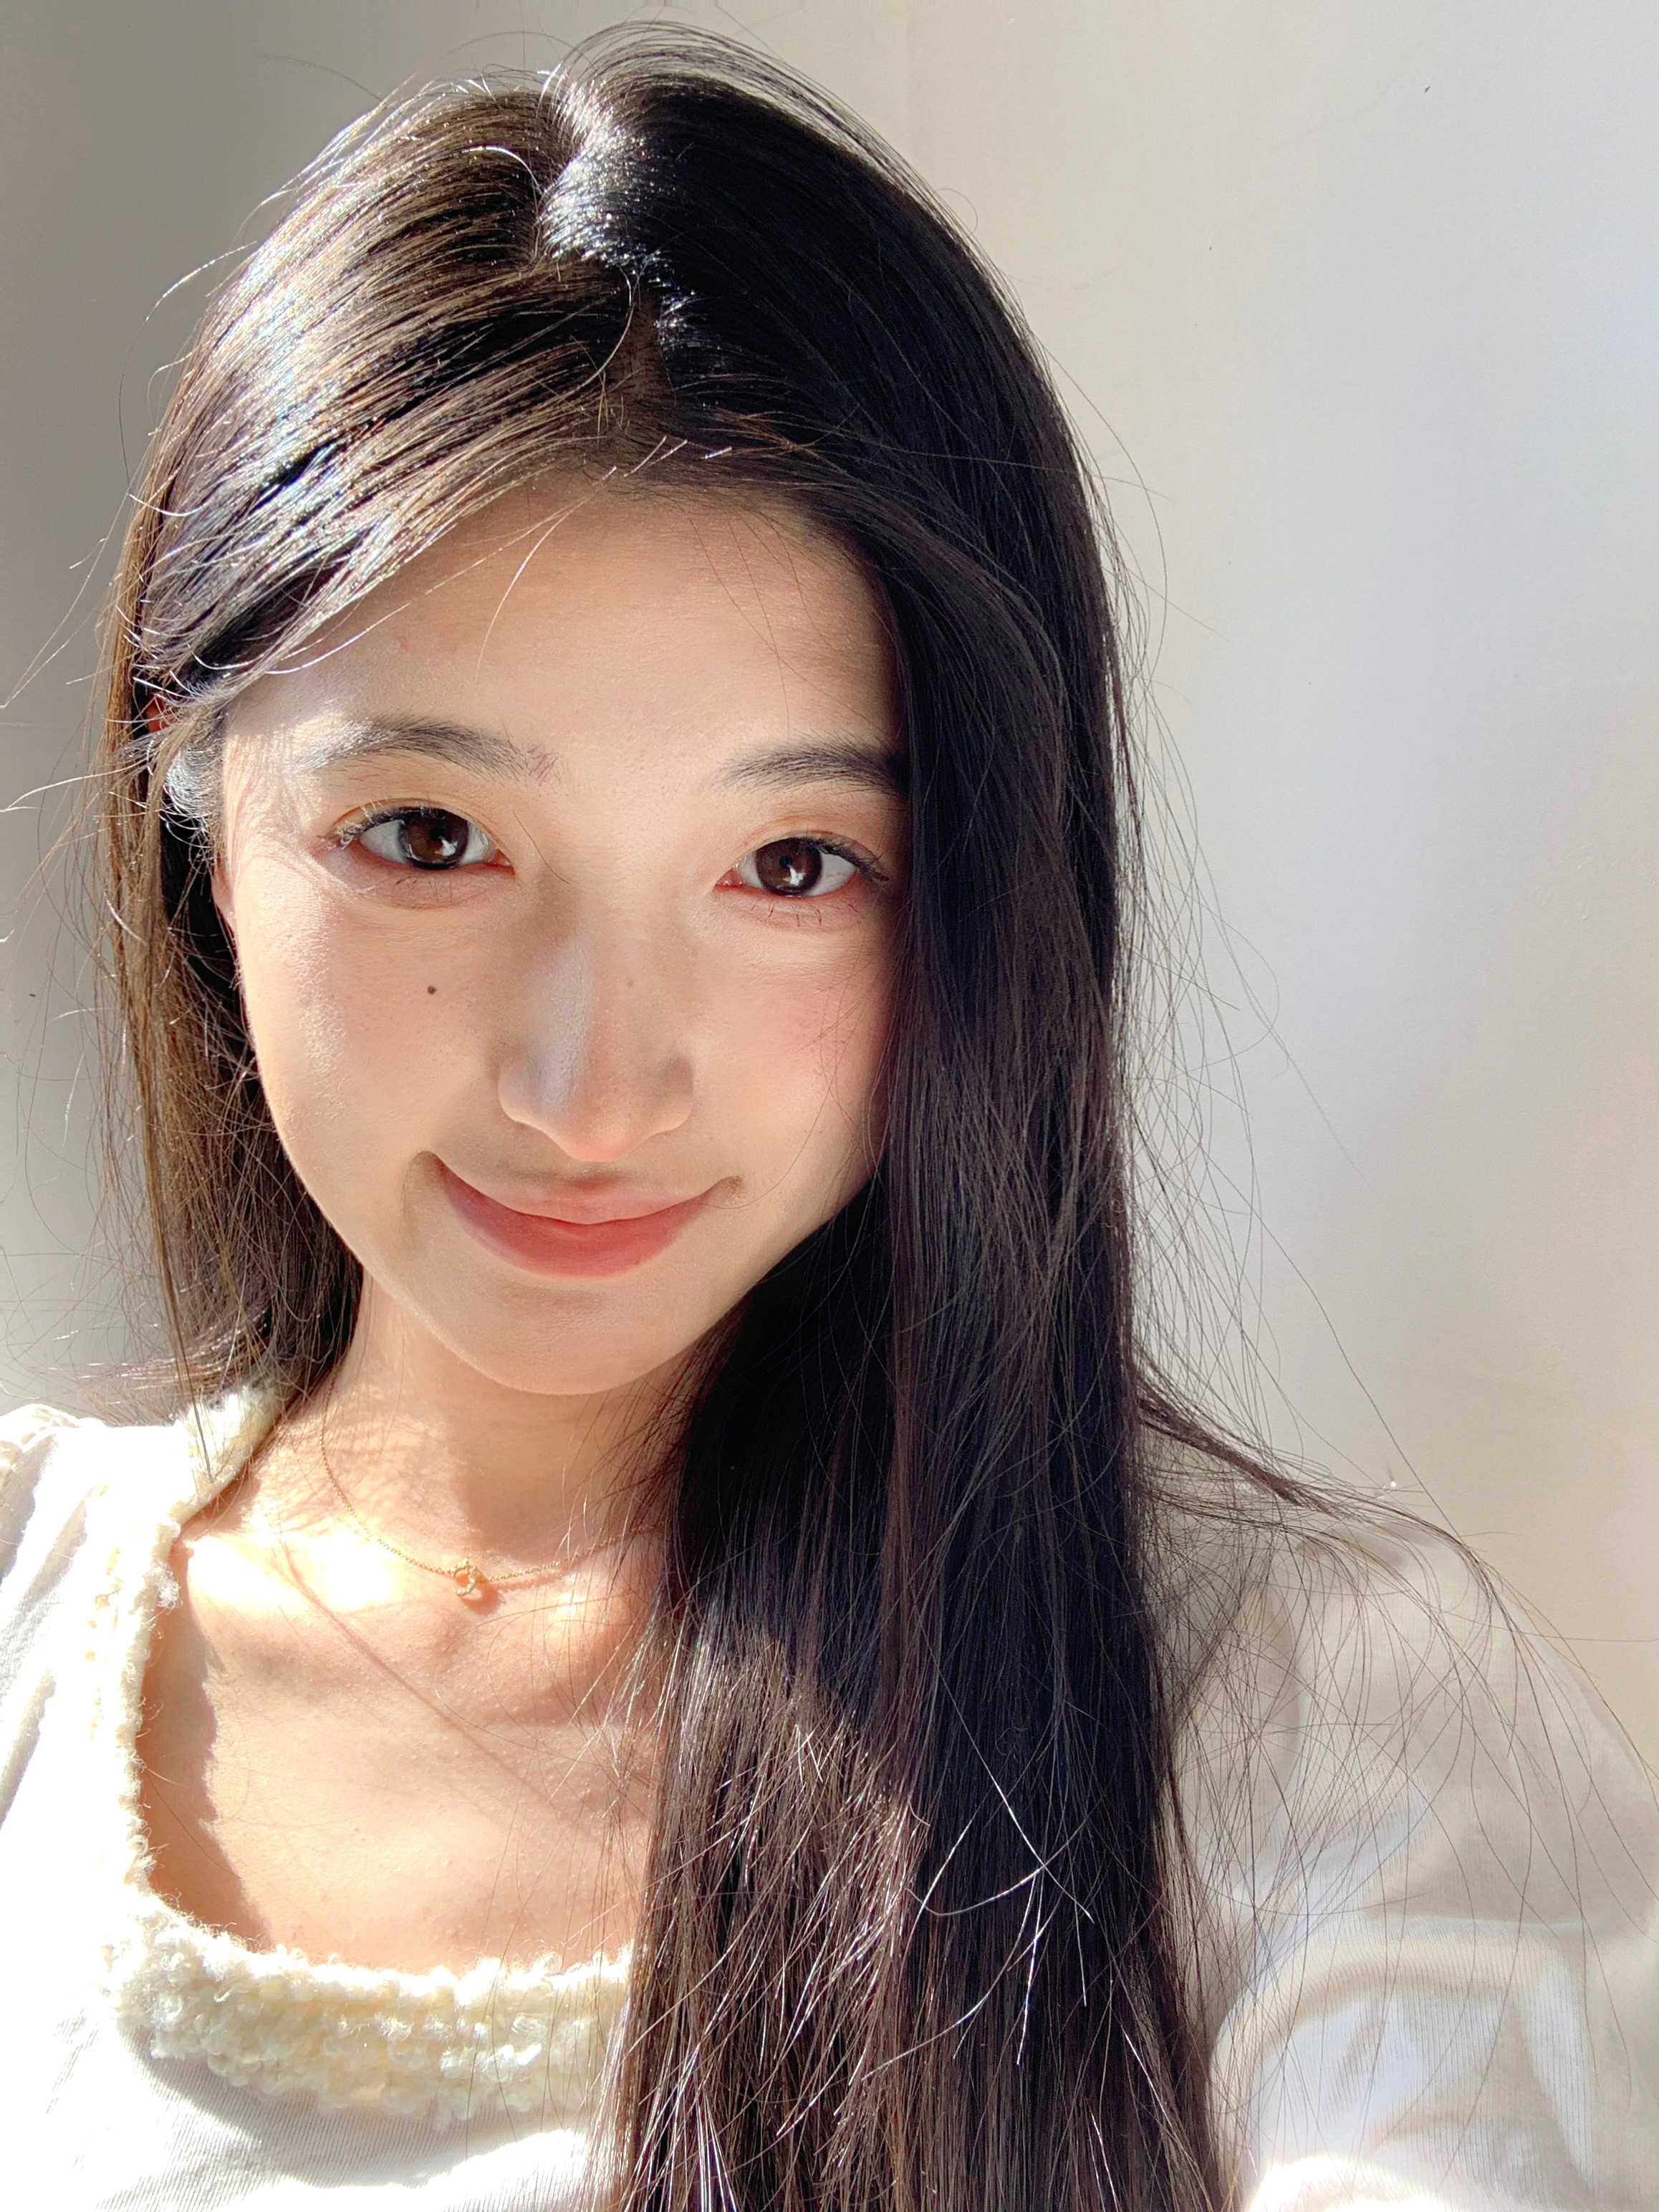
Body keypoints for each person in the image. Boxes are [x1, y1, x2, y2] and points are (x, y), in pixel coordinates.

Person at [0, 29, 1652, 2212]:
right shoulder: (26, 1607)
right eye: (429, 837)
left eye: (790, 867)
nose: (590, 1084)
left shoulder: (1293, 1727)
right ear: (193, 793)